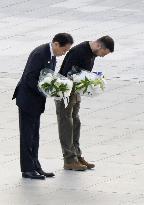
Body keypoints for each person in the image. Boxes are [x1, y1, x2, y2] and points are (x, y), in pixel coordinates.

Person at [12, 33, 74, 179]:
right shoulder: (40, 53)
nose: (63, 53)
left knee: (35, 136)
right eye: (64, 50)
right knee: (27, 136)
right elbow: (30, 78)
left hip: (36, 101)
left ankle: (35, 166)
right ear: (56, 44)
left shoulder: (51, 54)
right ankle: (27, 169)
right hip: (28, 100)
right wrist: (47, 90)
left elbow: (48, 76)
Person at [55, 36, 114, 171]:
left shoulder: (91, 52)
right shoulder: (79, 51)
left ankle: (77, 155)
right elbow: (67, 73)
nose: (102, 57)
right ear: (99, 46)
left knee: (75, 122)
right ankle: (69, 160)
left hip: (75, 90)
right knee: (66, 123)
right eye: (103, 54)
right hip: (65, 90)